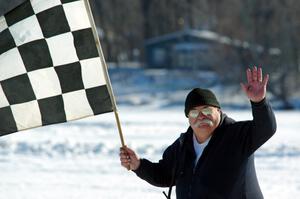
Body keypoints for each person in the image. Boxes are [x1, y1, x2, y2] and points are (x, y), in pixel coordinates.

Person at [119, 66, 277, 199]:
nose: (201, 116)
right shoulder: (182, 146)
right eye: (194, 113)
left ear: (218, 111)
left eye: (207, 110)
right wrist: (138, 165)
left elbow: (266, 128)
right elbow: (164, 174)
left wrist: (259, 103)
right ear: (188, 118)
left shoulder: (236, 135)